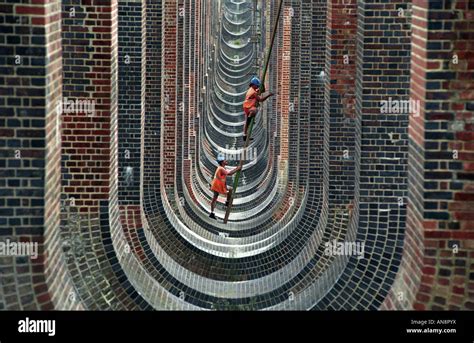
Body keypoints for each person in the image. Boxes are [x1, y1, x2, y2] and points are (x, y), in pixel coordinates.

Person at [242, 76, 274, 142]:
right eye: (256, 85)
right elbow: (261, 100)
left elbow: (261, 91)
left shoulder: (252, 89)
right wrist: (268, 95)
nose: (257, 87)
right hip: (248, 107)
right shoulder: (253, 92)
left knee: (246, 120)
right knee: (254, 110)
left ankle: (245, 135)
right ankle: (250, 118)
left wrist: (261, 88)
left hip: (246, 106)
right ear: (253, 85)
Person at [209, 156, 241, 220]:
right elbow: (230, 173)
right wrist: (238, 168)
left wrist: (236, 168)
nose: (226, 161)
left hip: (217, 184)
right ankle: (227, 202)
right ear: (222, 162)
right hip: (217, 185)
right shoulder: (221, 168)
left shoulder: (222, 168)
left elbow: (227, 174)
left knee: (215, 197)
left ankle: (212, 212)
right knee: (230, 190)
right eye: (224, 160)